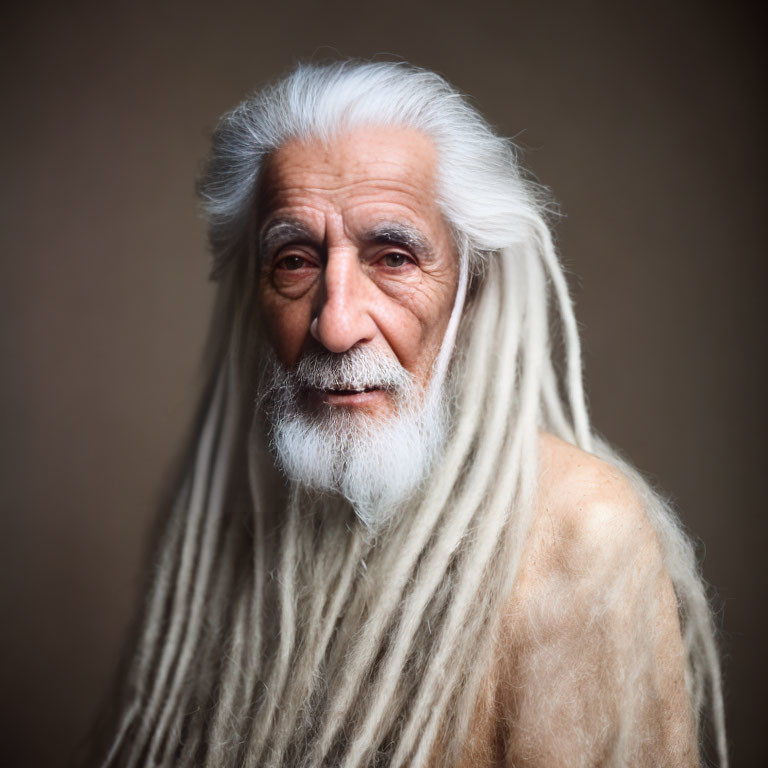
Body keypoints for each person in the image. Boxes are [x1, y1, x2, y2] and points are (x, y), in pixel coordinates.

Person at [96, 60, 727, 767]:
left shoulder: (583, 537)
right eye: (296, 260)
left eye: (393, 257)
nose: (336, 327)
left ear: (472, 281)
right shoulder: (246, 518)